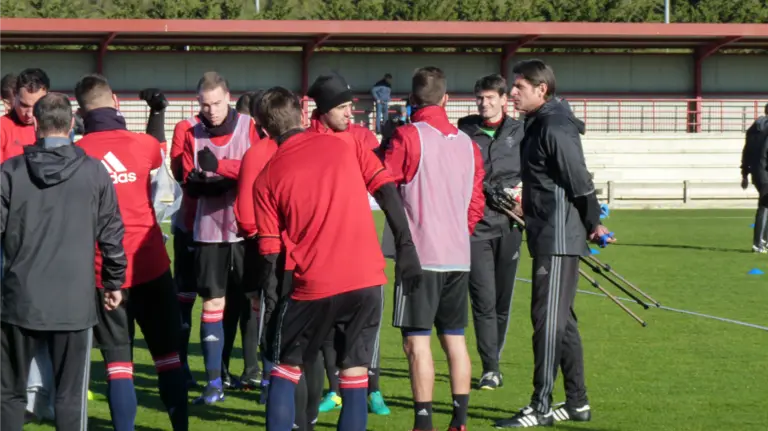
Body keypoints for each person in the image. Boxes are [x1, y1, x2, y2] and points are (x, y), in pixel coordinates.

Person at [249, 86, 420, 431]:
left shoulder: (266, 178)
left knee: (284, 367)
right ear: (302, 114)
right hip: (367, 281)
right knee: (354, 374)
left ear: (263, 129)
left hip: (315, 284)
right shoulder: (347, 145)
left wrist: (272, 307)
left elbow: (270, 254)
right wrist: (406, 247)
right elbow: (386, 190)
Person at [495, 59, 614, 428]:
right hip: (547, 231)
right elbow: (547, 181)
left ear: (541, 89)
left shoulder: (554, 124)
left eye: (519, 87)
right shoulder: (538, 122)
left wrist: (593, 223)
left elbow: (579, 180)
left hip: (559, 237)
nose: (512, 93)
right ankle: (577, 403)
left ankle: (541, 406)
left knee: (547, 322)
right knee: (562, 322)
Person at [0, 92, 127, 431]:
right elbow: (112, 233)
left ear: (35, 125)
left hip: (21, 297)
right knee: (70, 396)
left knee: (9, 393)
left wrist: (112, 279)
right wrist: (114, 281)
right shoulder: (94, 172)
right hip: (72, 300)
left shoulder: (10, 171)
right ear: (72, 124)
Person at [74, 75, 188, 431]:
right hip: (149, 263)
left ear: (81, 112)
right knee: (168, 358)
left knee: (118, 365)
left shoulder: (77, 154)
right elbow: (156, 154)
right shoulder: (142, 145)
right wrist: (157, 113)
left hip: (103, 270)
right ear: (116, 102)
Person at [383, 66, 486, 431]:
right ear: (446, 99)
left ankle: (423, 422)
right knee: (455, 339)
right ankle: (459, 420)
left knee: (416, 342)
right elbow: (476, 203)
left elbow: (384, 182)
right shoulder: (468, 144)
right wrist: (456, 232)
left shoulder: (408, 136)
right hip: (457, 255)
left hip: (419, 255)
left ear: (412, 99)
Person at [306, 72, 391, 417]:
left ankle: (375, 389)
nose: (349, 113)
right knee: (328, 333)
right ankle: (335, 390)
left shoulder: (360, 137)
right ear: (324, 109)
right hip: (324, 255)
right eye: (341, 107)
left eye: (350, 106)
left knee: (364, 331)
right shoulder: (307, 142)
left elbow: (380, 180)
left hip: (358, 249)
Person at [179, 71, 261, 403]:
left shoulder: (249, 127)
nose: (211, 110)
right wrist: (221, 180)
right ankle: (214, 384)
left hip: (247, 231)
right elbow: (190, 182)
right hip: (208, 233)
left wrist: (220, 171)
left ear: (228, 97)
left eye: (216, 103)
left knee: (256, 302)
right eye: (204, 104)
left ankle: (262, 376)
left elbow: (259, 170)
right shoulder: (191, 133)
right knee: (213, 304)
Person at [457, 74, 524, 390]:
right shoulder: (464, 131)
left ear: (503, 100)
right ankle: (491, 368)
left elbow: (532, 171)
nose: (483, 103)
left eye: (489, 98)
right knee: (483, 299)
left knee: (501, 300)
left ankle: (493, 358)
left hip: (510, 226)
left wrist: (522, 197)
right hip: (475, 228)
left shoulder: (520, 131)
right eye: (479, 98)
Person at [0, 68, 57, 424]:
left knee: (48, 320)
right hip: (9, 240)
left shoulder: (56, 128)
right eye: (22, 104)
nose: (27, 112)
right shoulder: (3, 128)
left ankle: (44, 394)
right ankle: (19, 393)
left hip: (48, 239)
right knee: (13, 321)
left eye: (34, 105)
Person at [741, 102, 768, 253]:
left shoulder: (753, 129)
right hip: (766, 172)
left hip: (756, 173)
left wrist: (745, 174)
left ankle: (764, 241)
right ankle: (758, 243)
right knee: (764, 205)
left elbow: (746, 152)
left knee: (766, 204)